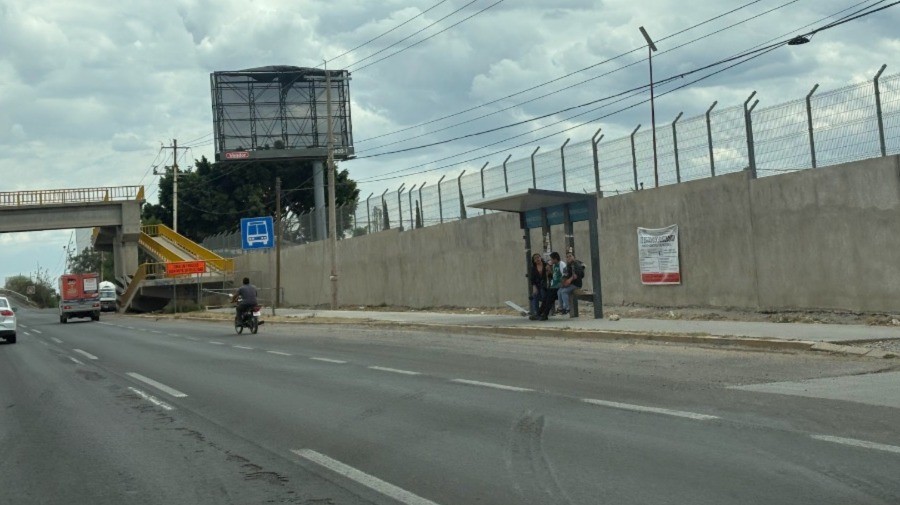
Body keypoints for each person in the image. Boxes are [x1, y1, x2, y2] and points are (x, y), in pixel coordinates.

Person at [533, 252, 564, 320]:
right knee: (546, 297)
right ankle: (539, 313)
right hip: (553, 286)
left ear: (555, 259)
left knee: (549, 297)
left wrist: (560, 284)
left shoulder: (561, 264)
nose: (551, 261)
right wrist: (549, 272)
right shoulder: (554, 265)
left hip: (559, 286)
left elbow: (564, 275)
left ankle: (544, 314)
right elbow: (553, 276)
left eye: (552, 259)